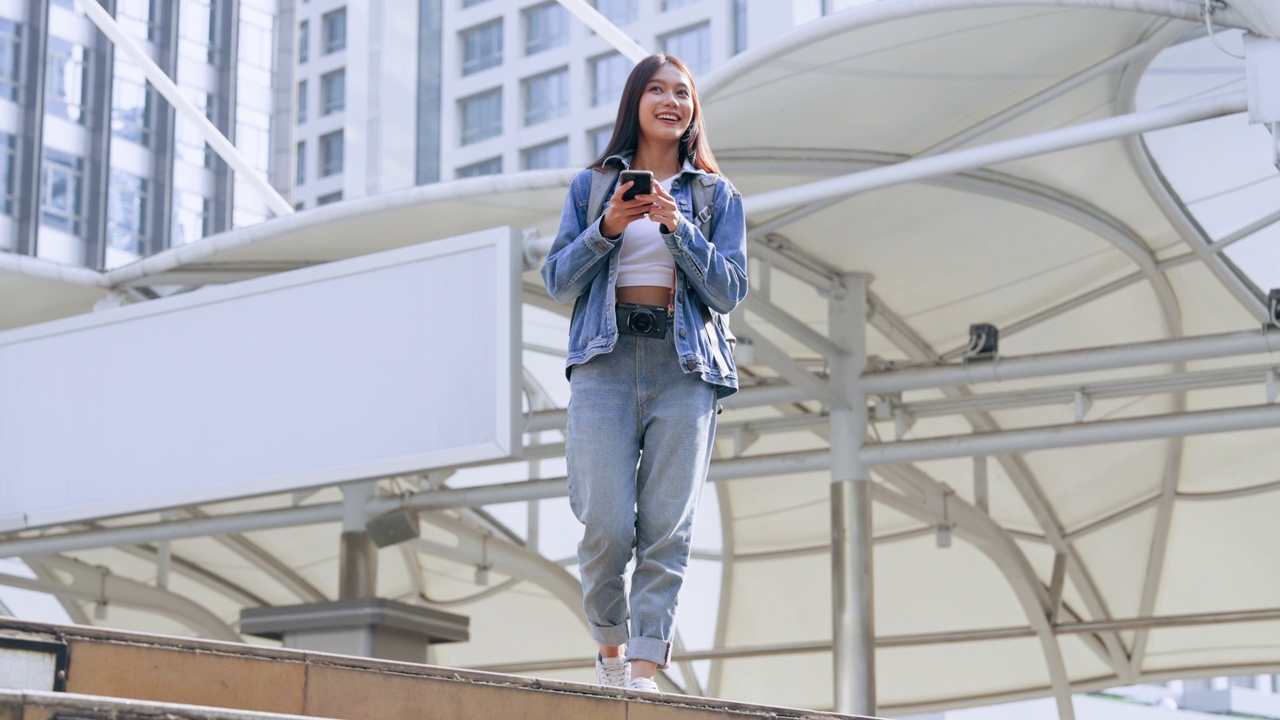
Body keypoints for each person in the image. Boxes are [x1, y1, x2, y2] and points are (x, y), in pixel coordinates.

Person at [540, 53, 747, 693]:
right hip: (604, 365)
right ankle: (609, 648)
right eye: (656, 89)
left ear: (692, 111)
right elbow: (556, 279)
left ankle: (644, 668)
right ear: (634, 102)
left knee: (666, 528)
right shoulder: (593, 187)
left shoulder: (717, 196)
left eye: (682, 92)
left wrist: (677, 227)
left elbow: (730, 288)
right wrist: (607, 228)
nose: (670, 101)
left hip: (684, 371)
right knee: (604, 522)